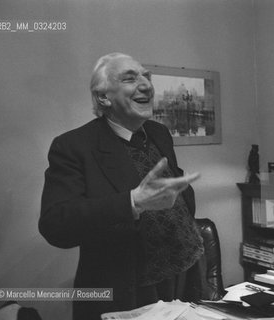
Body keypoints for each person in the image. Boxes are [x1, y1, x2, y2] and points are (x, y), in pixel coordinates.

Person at [39, 53, 204, 320]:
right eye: (130, 78)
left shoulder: (159, 132)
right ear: (104, 97)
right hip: (129, 292)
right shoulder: (73, 146)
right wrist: (133, 202)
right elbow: (54, 224)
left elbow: (171, 193)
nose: (146, 85)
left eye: (146, 77)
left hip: (186, 274)